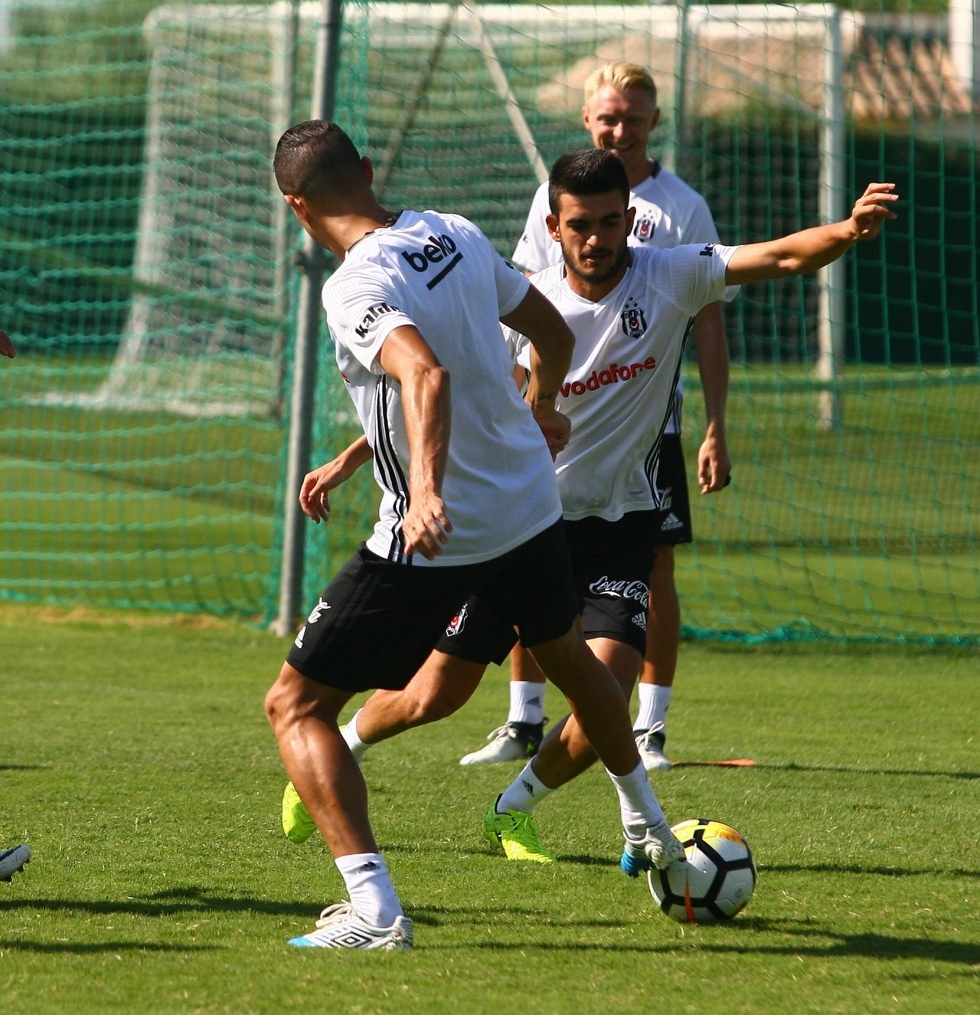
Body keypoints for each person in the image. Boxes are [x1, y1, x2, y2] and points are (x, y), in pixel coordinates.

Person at [283, 150, 898, 865]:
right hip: (517, 520)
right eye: (581, 225)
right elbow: (461, 392)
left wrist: (848, 232)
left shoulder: (669, 275)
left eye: (611, 222)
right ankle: (342, 747)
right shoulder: (530, 299)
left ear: (631, 219)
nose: (598, 238)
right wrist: (352, 459)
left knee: (603, 682)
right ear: (554, 226)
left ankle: (517, 810)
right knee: (435, 695)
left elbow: (782, 257)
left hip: (617, 522)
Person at [265, 121, 687, 951]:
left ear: (296, 206)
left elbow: (423, 371)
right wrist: (543, 407)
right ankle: (651, 830)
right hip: (531, 507)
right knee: (566, 657)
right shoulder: (450, 231)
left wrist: (423, 492)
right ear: (371, 170)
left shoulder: (352, 285)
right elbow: (552, 333)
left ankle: (375, 910)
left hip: (441, 530)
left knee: (295, 705)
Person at [461, 62, 731, 771]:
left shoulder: (681, 207)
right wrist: (530, 401)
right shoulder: (551, 197)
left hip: (646, 425)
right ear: (588, 119)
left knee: (650, 566)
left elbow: (706, 318)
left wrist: (714, 423)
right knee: (531, 556)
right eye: (608, 118)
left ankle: (648, 725)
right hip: (552, 420)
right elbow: (521, 302)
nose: (620, 129)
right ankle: (523, 717)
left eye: (633, 119)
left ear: (653, 122)